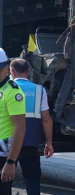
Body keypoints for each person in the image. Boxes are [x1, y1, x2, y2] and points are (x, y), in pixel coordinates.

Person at [10, 59, 54, 195]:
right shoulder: (40, 90)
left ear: (11, 71)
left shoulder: (5, 89)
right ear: (29, 72)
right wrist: (49, 143)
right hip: (31, 144)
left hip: (9, 144)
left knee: (5, 180)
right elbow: (46, 120)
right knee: (33, 179)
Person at [0, 48, 26, 195]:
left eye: (0, 69)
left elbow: (20, 127)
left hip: (3, 155)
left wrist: (11, 162)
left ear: (7, 68)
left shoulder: (13, 91)